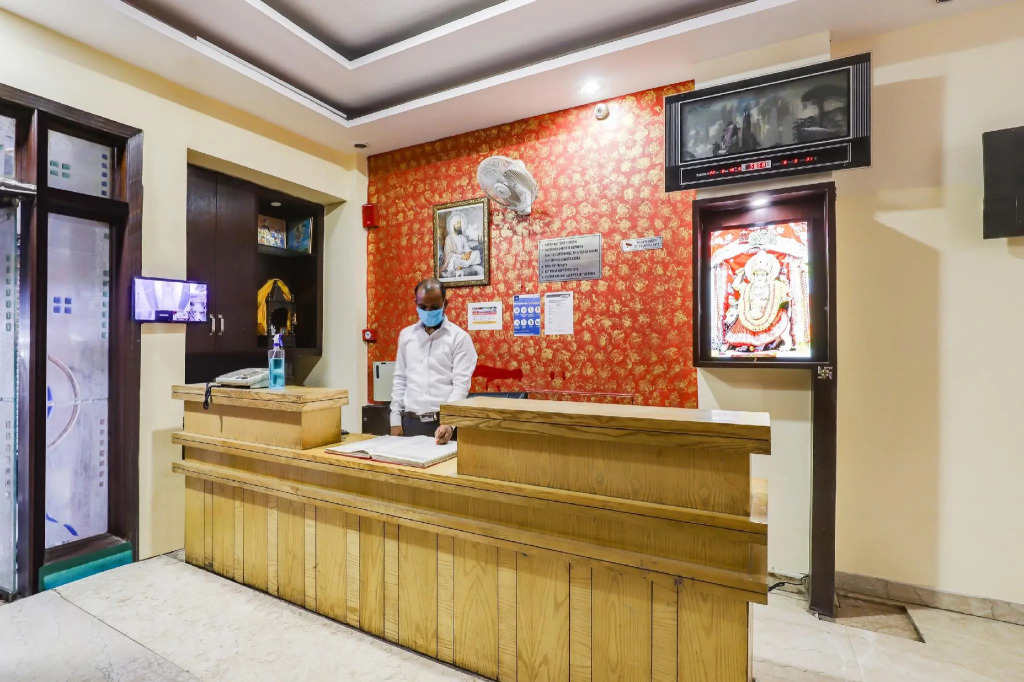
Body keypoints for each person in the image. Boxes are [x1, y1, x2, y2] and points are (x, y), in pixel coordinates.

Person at [390, 278, 478, 444]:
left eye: (434, 307)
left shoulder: (459, 338)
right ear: (416, 304)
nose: (428, 311)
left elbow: (460, 386)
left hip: (442, 425)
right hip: (409, 423)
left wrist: (449, 423)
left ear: (446, 303)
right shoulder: (406, 336)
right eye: (423, 307)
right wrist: (395, 420)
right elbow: (400, 379)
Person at [441, 212, 483, 279]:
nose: (459, 225)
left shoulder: (462, 237)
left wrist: (469, 253)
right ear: (453, 225)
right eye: (458, 223)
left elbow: (466, 248)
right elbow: (449, 254)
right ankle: (460, 265)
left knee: (477, 253)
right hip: (455, 258)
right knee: (453, 260)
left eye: (460, 223)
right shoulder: (449, 238)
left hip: (463, 258)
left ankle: (461, 265)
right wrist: (461, 257)